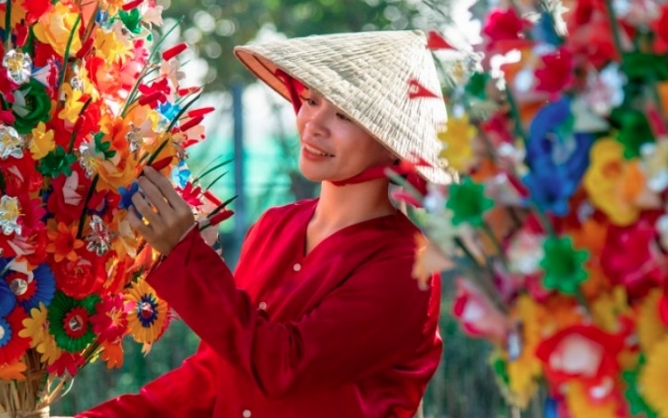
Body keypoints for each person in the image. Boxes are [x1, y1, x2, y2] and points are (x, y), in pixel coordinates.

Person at [76, 30, 454, 418]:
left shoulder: (407, 266)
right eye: (310, 100)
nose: (313, 125)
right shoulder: (275, 226)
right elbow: (212, 377)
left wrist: (186, 252)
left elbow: (285, 365)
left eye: (343, 114)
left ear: (392, 141)